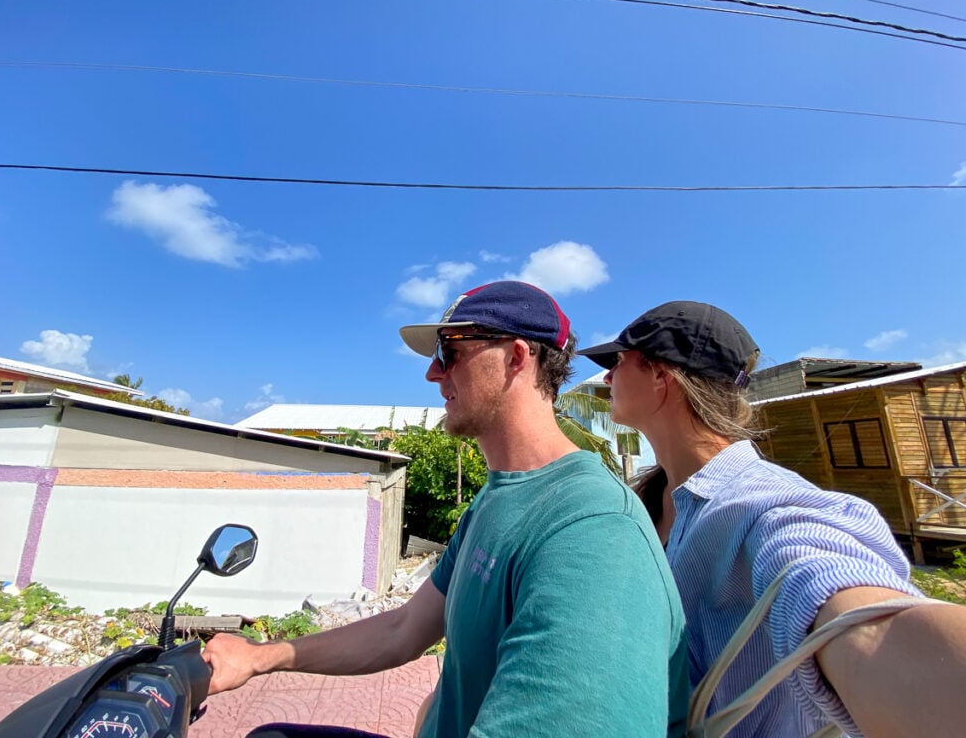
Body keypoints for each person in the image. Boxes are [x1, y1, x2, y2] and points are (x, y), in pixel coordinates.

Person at [203, 280, 689, 738]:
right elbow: (404, 628)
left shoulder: (591, 530)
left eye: (450, 352)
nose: (433, 372)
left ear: (515, 357)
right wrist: (261, 657)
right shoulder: (499, 498)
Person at [578, 301, 966, 738]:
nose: (608, 376)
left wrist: (872, 638)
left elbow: (832, 583)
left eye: (618, 361)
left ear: (661, 375)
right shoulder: (652, 498)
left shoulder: (765, 506)